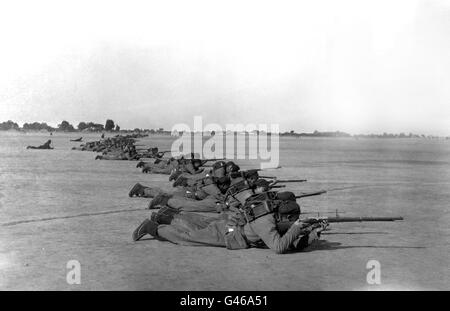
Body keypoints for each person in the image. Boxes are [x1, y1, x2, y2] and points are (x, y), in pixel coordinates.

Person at [132, 178, 327, 254]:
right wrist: (295, 229)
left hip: (231, 225)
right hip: (229, 233)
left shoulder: (267, 211)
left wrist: (309, 233)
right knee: (188, 236)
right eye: (291, 219)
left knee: (197, 224)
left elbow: (287, 239)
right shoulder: (266, 222)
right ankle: (153, 228)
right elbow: (278, 247)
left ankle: (166, 216)